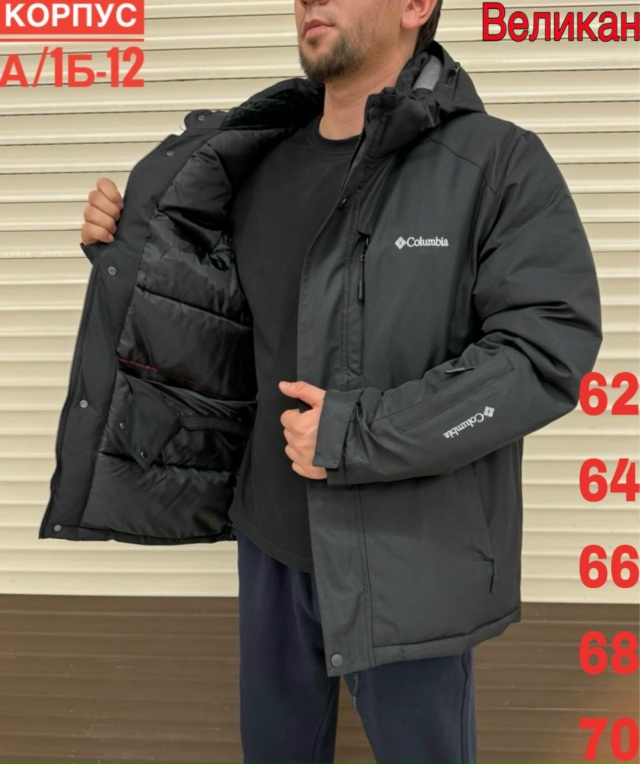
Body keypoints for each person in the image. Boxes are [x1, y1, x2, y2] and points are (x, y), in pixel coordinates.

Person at [66, 1, 602, 762]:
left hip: (411, 558)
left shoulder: (495, 164)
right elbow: (217, 320)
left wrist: (359, 432)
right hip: (271, 548)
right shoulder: (254, 162)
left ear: (416, 6)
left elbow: (544, 352)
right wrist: (132, 253)